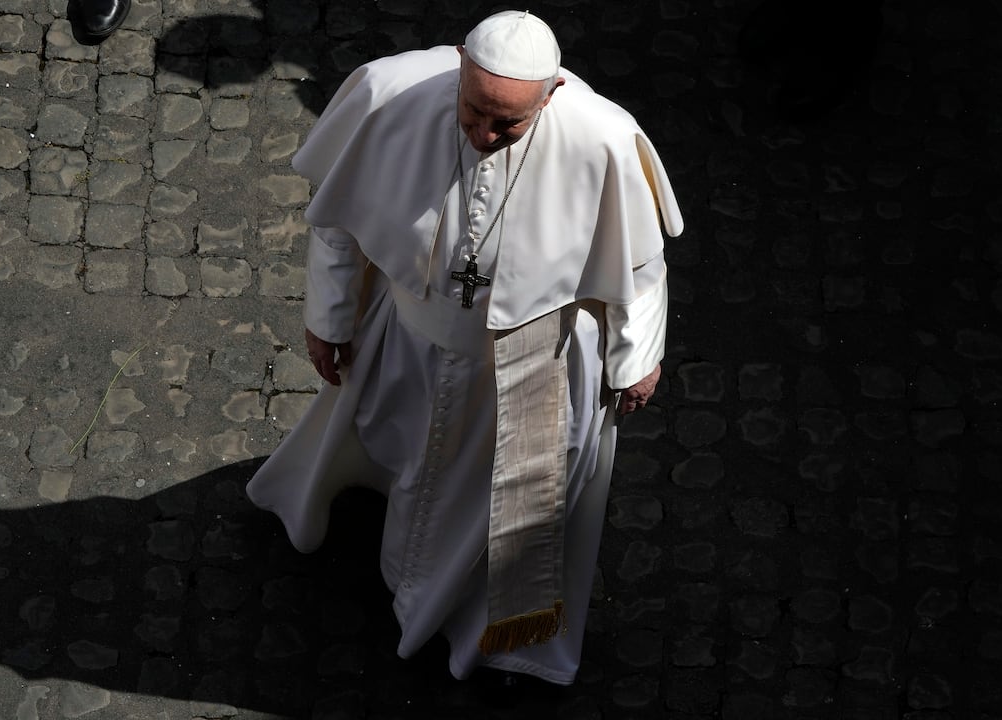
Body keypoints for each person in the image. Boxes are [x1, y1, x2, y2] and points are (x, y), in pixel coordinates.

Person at [247, 10, 684, 684]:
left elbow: (640, 268)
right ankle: (401, 571)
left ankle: (501, 642)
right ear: (458, 64)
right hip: (415, 344)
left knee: (514, 514)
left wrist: (635, 360)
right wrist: (329, 319)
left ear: (553, 94)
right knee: (413, 465)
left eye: (508, 124)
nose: (483, 134)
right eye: (474, 109)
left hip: (537, 361)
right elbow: (338, 225)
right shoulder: (391, 96)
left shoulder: (603, 140)